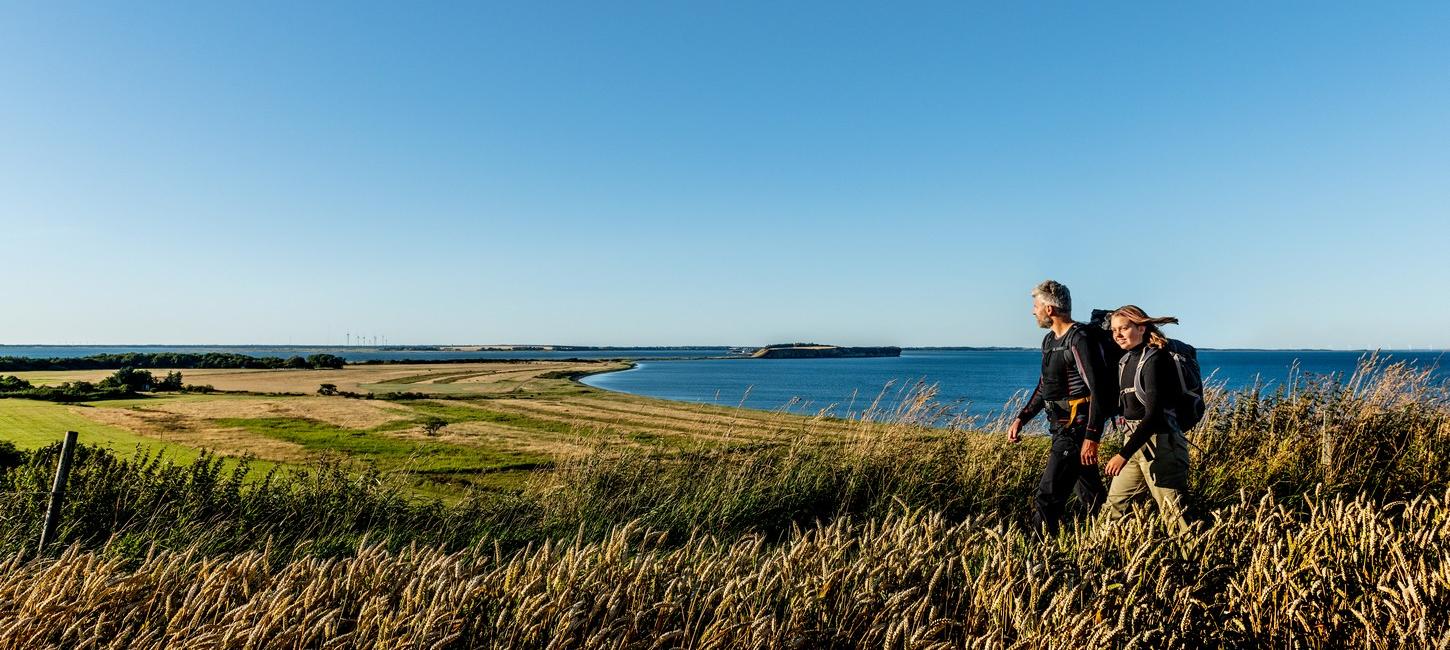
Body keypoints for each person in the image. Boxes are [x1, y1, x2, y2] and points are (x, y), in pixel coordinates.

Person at [1008, 280, 1108, 535]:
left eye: (1036, 305)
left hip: (1075, 430)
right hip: (1060, 427)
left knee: (1048, 496)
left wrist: (1091, 437)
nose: (1033, 311)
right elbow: (1045, 387)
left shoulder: (1080, 339)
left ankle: (1039, 553)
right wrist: (1022, 418)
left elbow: (1098, 390)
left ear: (1049, 309)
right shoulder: (1050, 341)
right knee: (1091, 495)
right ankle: (1112, 538)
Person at [1102, 304, 1191, 533]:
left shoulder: (1155, 359)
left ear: (1141, 328)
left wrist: (1122, 455)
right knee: (1113, 508)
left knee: (1175, 515)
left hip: (1161, 445)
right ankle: (1103, 560)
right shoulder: (1125, 361)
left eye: (1124, 328)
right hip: (1134, 443)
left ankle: (1197, 562)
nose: (1118, 335)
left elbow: (1153, 416)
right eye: (1114, 330)